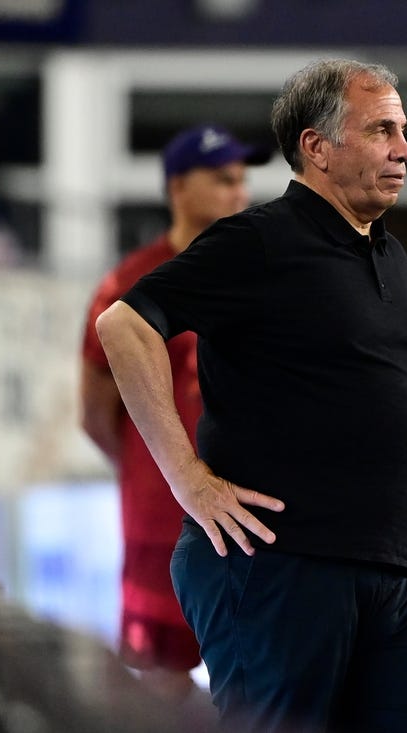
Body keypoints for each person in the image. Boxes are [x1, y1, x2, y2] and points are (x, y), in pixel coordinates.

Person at [94, 58, 407, 733]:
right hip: (279, 569)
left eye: (403, 130)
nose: (405, 148)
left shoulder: (390, 257)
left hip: (390, 573)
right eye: (382, 129)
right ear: (317, 146)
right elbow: (123, 325)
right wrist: (189, 480)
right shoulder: (261, 240)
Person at [80, 124, 270, 701]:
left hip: (253, 518)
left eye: (241, 181)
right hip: (161, 524)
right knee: (157, 689)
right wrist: (157, 470)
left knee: (260, 685)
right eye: (222, 180)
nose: (239, 193)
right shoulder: (127, 284)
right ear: (178, 189)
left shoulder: (264, 277)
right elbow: (94, 411)